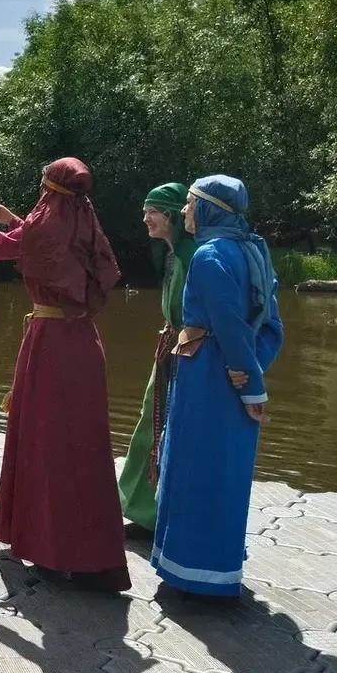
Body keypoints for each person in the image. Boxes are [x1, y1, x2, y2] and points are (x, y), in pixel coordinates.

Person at [0, 157, 130, 593]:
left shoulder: (45, 223)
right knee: (85, 450)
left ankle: (54, 554)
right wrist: (12, 218)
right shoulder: (84, 219)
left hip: (50, 344)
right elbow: (49, 245)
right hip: (84, 345)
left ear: (51, 188)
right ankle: (98, 560)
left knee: (46, 445)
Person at [152, 175, 284, 602]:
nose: (186, 211)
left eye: (190, 204)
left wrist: (247, 384)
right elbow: (269, 326)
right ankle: (219, 568)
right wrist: (252, 372)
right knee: (227, 470)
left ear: (208, 209)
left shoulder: (209, 256)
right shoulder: (254, 250)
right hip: (230, 371)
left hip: (208, 377)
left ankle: (194, 575)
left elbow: (229, 326)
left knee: (195, 467)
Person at [117, 183, 198, 538]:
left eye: (153, 212)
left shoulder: (192, 254)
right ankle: (141, 512)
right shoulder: (169, 253)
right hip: (169, 346)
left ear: (170, 215)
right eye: (145, 211)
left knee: (169, 430)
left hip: (188, 353)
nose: (145, 218)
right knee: (150, 424)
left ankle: (162, 515)